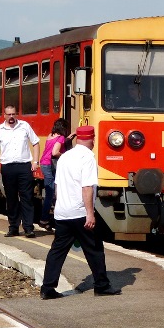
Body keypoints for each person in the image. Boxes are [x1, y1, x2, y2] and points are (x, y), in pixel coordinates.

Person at [40, 125, 121, 300]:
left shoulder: (65, 157)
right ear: (92, 138)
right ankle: (101, 285)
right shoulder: (88, 157)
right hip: (79, 212)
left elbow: (56, 186)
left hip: (62, 212)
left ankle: (47, 288)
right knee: (94, 249)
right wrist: (90, 214)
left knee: (57, 251)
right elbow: (87, 188)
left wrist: (58, 207)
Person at [0, 106, 40, 238]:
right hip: (8, 167)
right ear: (4, 115)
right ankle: (13, 227)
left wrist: (35, 161)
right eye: (9, 114)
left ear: (16, 114)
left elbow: (36, 143)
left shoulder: (24, 126)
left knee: (27, 197)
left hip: (24, 167)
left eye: (13, 114)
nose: (11, 117)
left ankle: (28, 228)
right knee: (11, 198)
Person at [38, 119, 70, 230]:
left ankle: (48, 218)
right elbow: (55, 152)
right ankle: (44, 219)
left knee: (51, 192)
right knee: (51, 193)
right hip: (49, 165)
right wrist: (66, 155)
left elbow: (55, 145)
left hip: (44, 164)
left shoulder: (51, 135)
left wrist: (71, 136)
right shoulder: (60, 138)